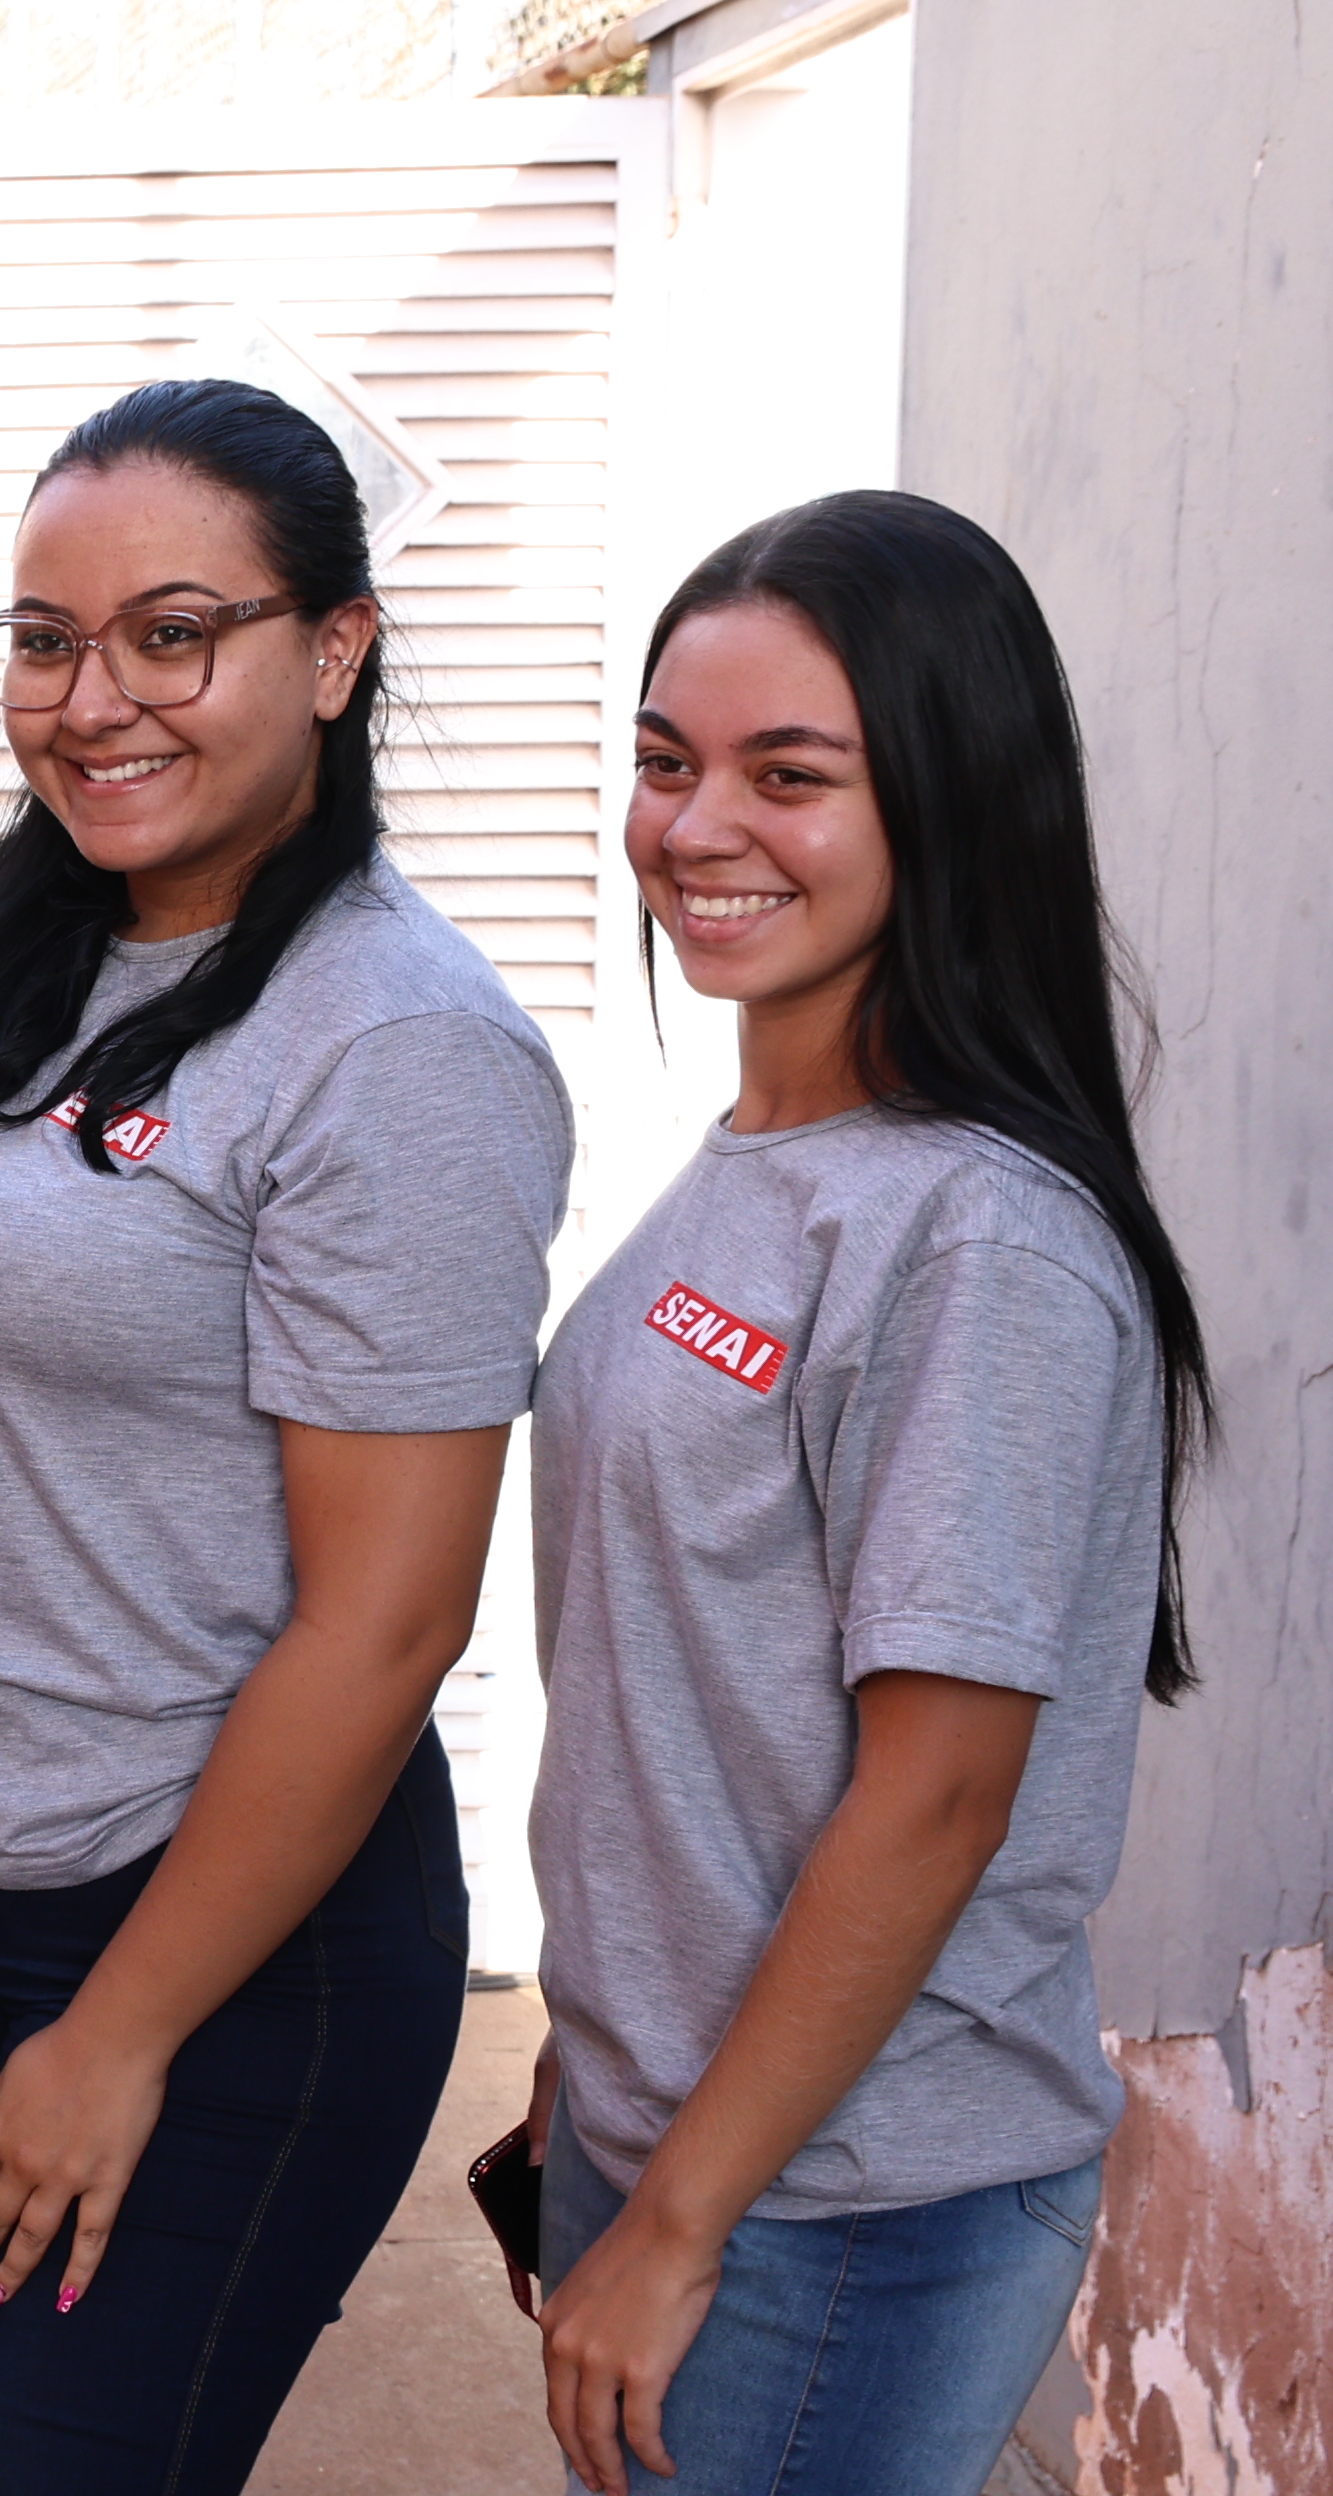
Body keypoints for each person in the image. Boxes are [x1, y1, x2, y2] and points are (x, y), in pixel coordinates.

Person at [0, 375, 576, 2493]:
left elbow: (387, 1626)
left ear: (337, 648)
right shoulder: (43, 941)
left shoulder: (398, 1049)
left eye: (173, 634)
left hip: (198, 1949)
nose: (91, 700)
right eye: (46, 640)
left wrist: (118, 2033)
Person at [521, 491, 1207, 2496]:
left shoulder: (978, 1237)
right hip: (693, 2139)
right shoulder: (766, 1157)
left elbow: (938, 1796)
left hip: (839, 2205)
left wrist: (681, 2216)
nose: (697, 825)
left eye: (789, 776)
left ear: (948, 800)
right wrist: (604, 2058)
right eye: (667, 761)